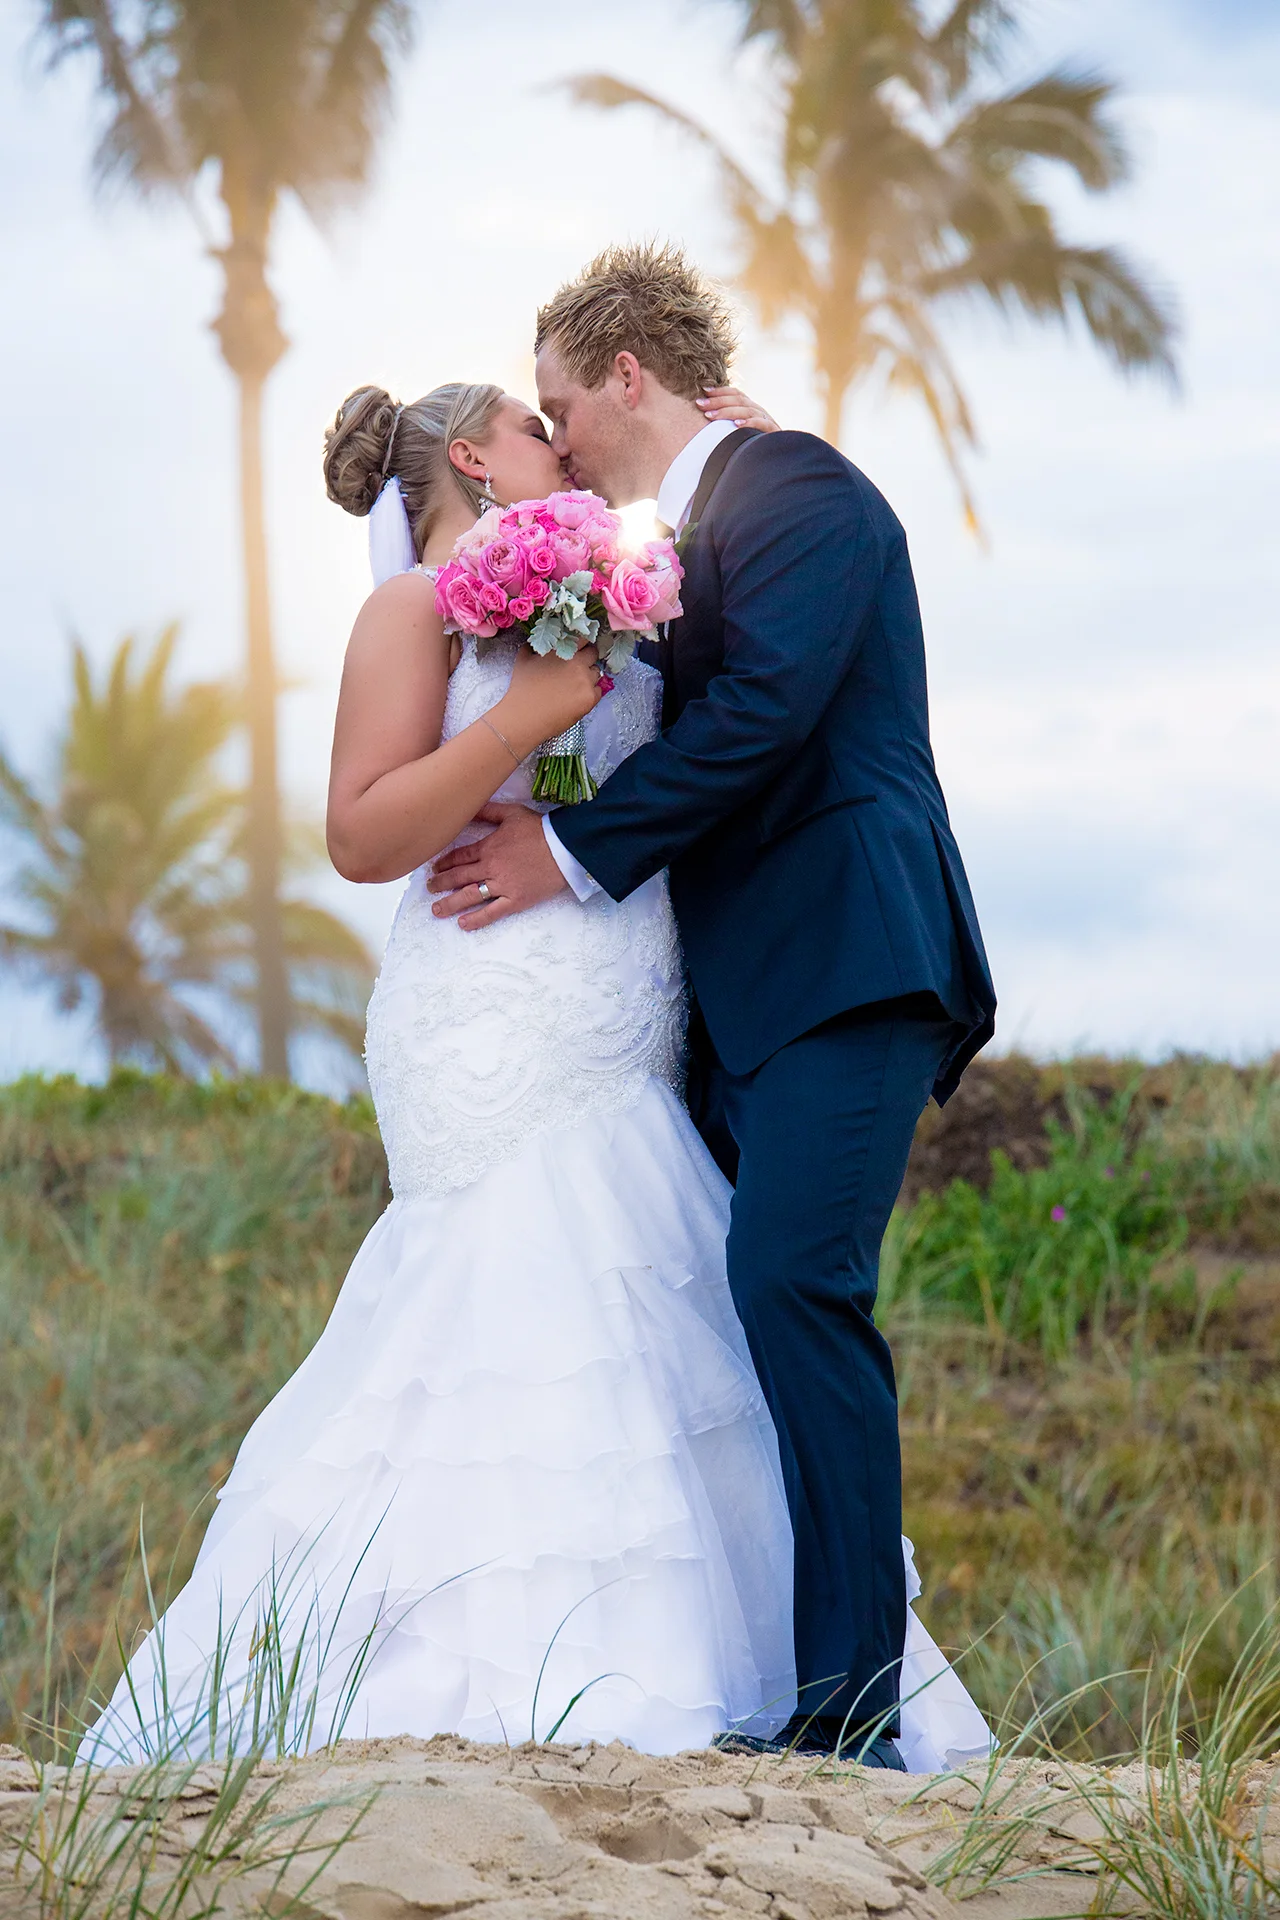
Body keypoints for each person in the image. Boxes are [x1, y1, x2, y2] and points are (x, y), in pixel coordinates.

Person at [79, 364, 990, 1774]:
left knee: (666, 1297)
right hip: (494, 989)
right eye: (531, 424)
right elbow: (363, 834)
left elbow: (736, 691)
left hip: (629, 997)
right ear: (473, 457)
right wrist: (525, 719)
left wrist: (717, 455)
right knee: (504, 1280)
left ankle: (786, 1684)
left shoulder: (617, 587)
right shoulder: (415, 611)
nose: (558, 442)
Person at [428, 242, 998, 1766]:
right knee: (731, 1306)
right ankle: (784, 1680)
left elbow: (763, 714)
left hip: (849, 957)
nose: (552, 435)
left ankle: (853, 1714)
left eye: (563, 400)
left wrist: (564, 851)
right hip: (734, 995)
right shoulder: (694, 522)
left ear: (627, 376)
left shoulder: (799, 489)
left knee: (796, 1288)